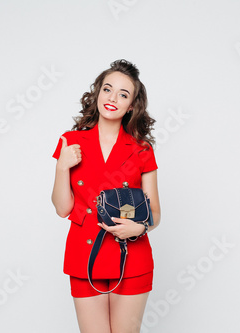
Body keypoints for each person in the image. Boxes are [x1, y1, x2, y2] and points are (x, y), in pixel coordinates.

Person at [51, 59, 161, 332]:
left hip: (131, 256)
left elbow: (155, 213)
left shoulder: (141, 149)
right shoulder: (71, 141)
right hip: (85, 255)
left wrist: (139, 226)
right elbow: (62, 208)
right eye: (107, 89)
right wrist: (62, 166)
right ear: (97, 93)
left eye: (123, 94)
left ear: (132, 105)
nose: (112, 98)